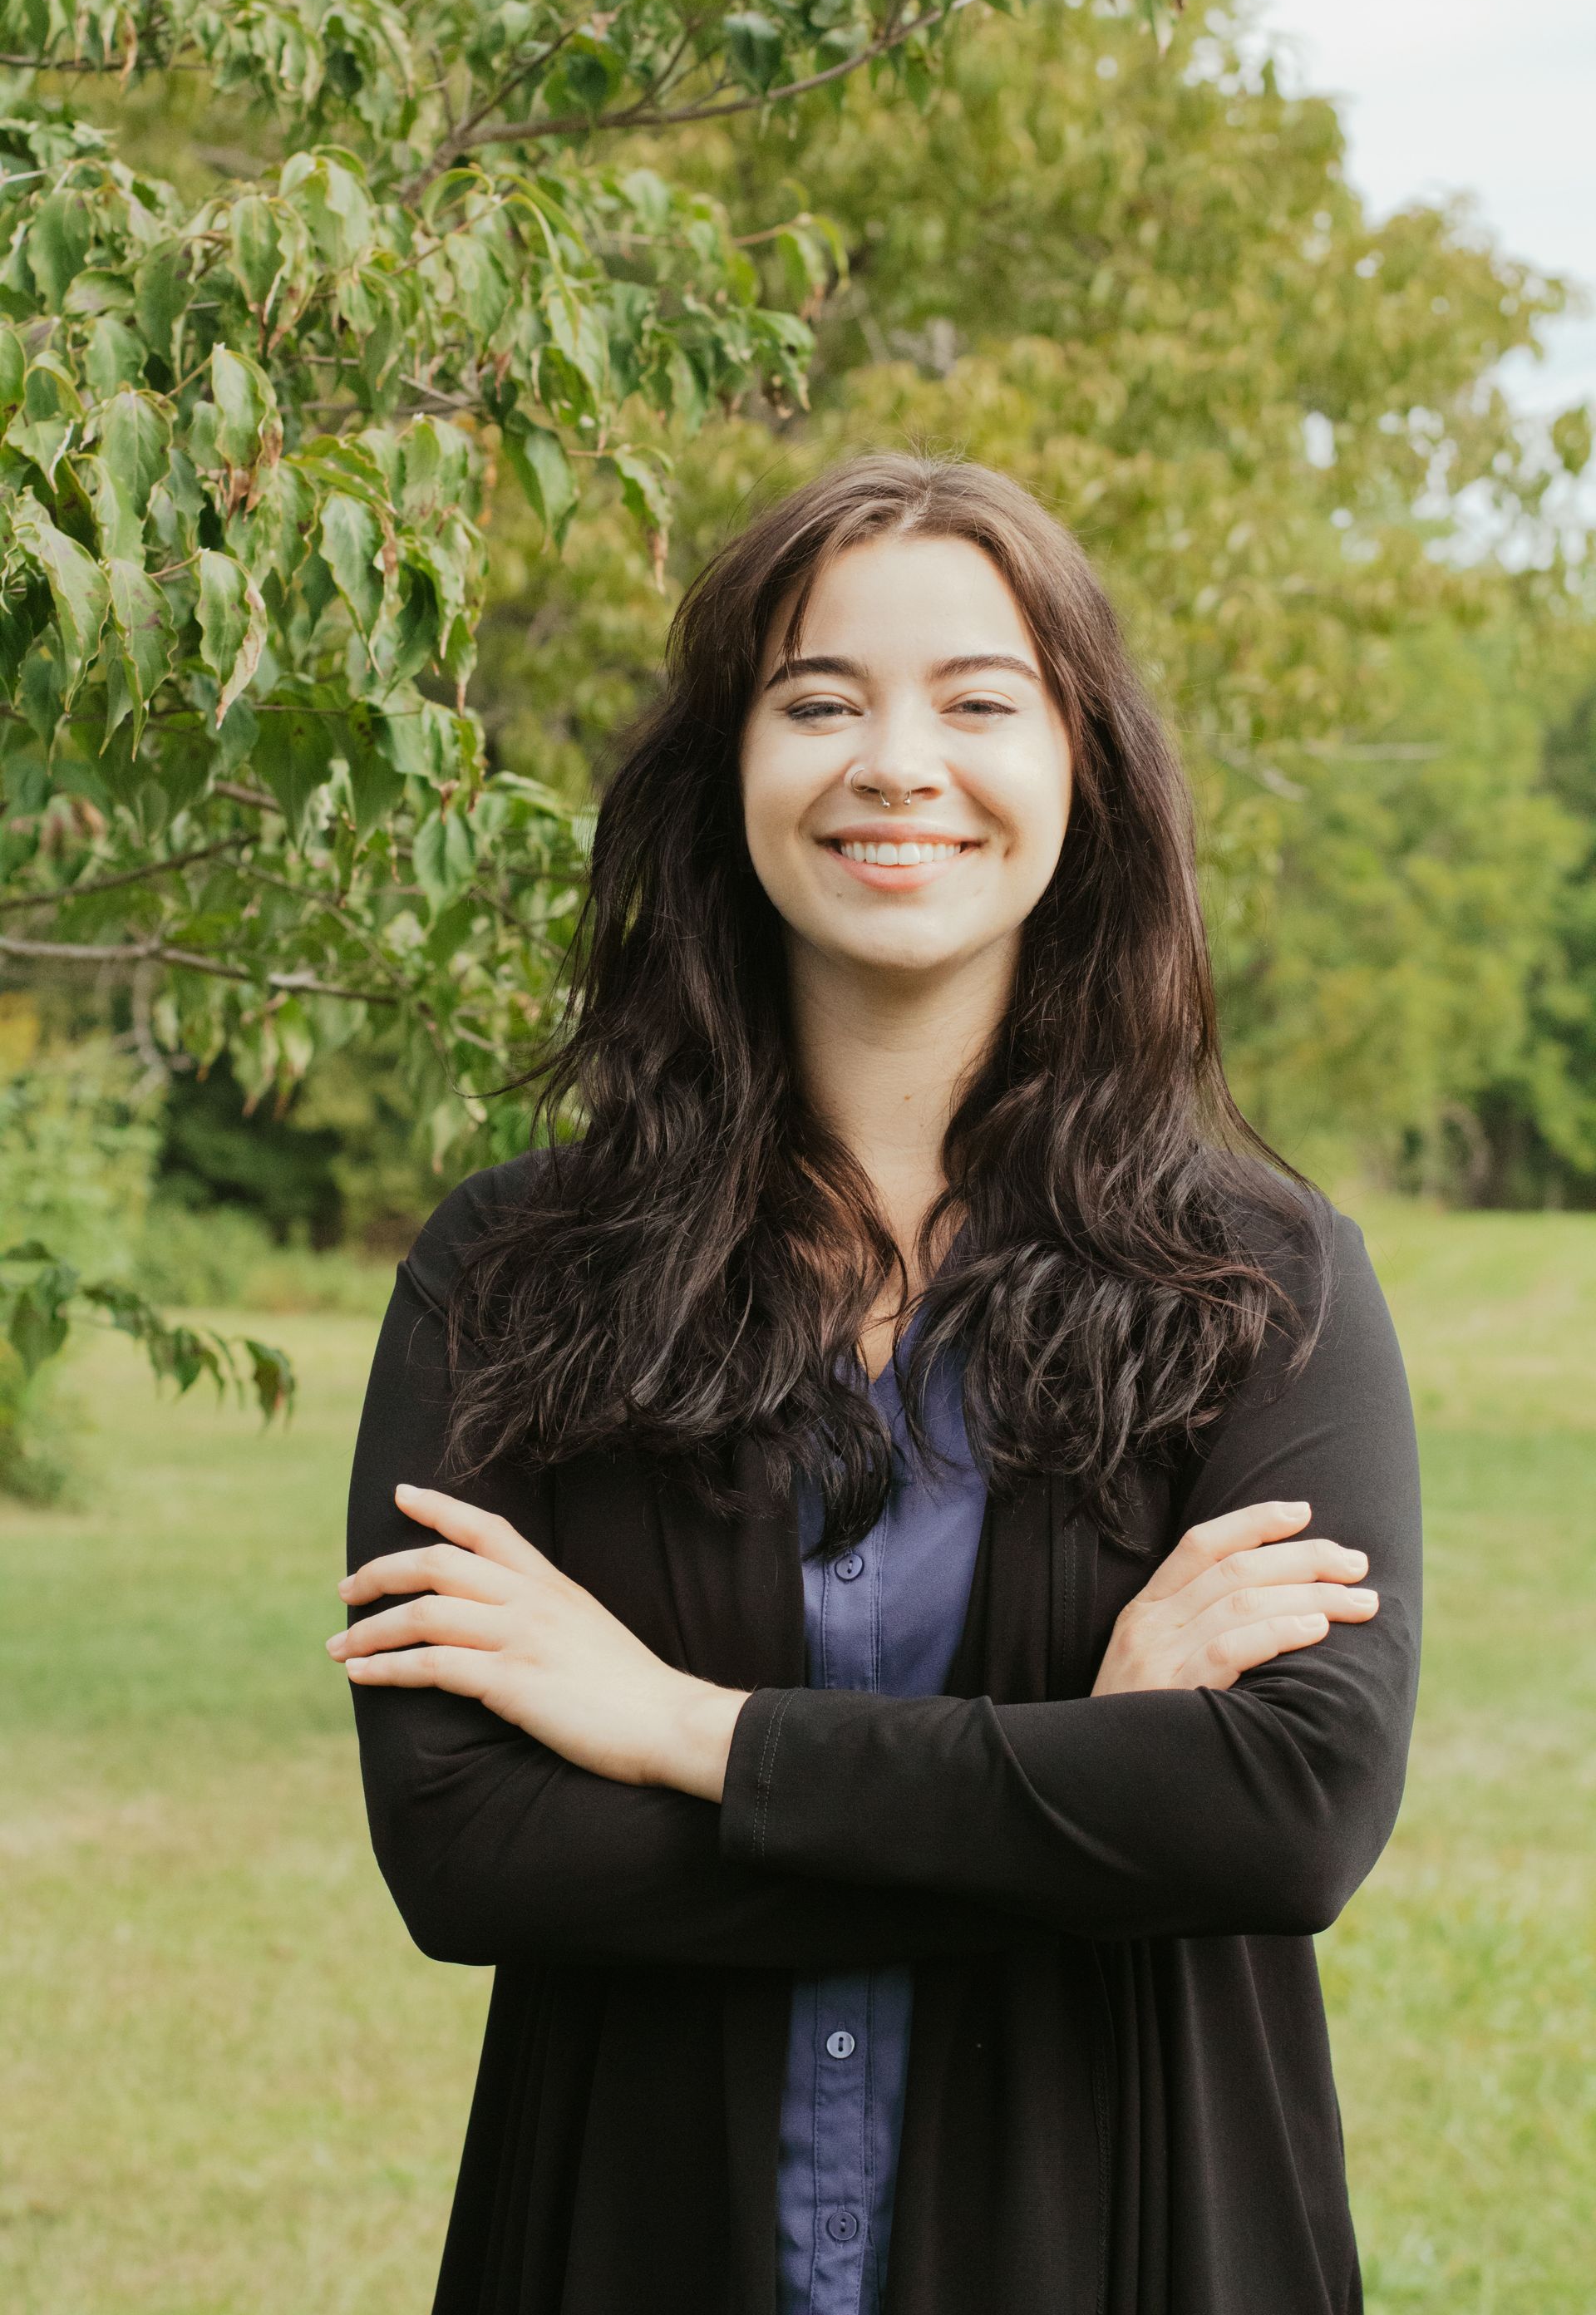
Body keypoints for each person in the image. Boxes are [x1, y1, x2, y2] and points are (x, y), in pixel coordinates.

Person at [331, 453, 1421, 2315]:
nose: (896, 762)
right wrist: (1084, 1756)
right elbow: (478, 1855)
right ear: (723, 776)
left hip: (1131, 2246)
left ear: (1084, 769)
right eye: (818, 700)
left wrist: (679, 1728)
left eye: (979, 701)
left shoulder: (1258, 1276)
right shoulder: (512, 1277)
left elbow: (1281, 1814)